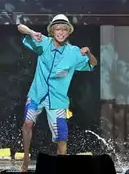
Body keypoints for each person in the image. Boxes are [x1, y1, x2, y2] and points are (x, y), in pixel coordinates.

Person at [17, 14, 98, 172]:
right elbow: (20, 27)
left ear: (68, 32)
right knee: (27, 123)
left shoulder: (73, 52)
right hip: (37, 94)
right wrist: (32, 32)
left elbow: (93, 64)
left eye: (64, 29)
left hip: (58, 100)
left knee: (61, 137)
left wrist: (88, 53)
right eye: (58, 29)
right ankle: (26, 158)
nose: (61, 32)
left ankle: (61, 168)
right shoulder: (44, 43)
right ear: (52, 31)